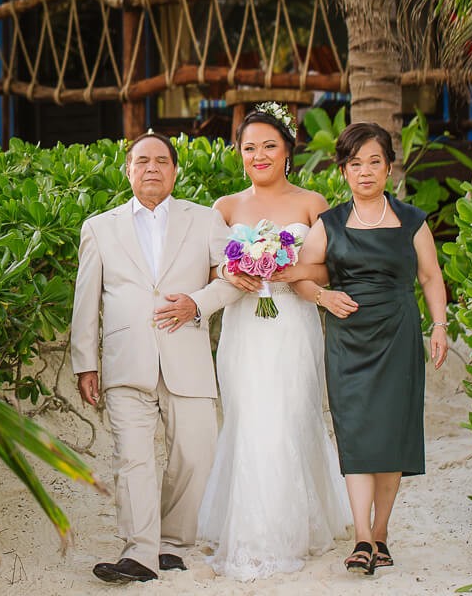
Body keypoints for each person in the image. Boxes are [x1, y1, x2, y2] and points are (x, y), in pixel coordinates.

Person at [273, 121, 449, 576]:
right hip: (348, 337)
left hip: (398, 333)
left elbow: (430, 276)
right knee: (354, 431)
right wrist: (324, 297)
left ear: (388, 168)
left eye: (374, 162)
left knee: (392, 435)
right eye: (356, 164)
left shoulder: (412, 220)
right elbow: (299, 274)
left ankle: (382, 533)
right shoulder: (330, 223)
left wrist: (440, 326)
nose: (365, 171)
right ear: (344, 171)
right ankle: (361, 538)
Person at [70, 131, 241, 584]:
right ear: (127, 170)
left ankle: (174, 544)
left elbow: (233, 278)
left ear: (175, 171)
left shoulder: (205, 220)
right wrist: (86, 362)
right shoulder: (99, 227)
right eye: (142, 161)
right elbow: (86, 299)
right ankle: (139, 552)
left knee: (195, 453)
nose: (151, 168)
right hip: (127, 361)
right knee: (134, 459)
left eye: (161, 161)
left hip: (186, 353)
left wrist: (196, 303)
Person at [196, 104, 350, 580]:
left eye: (269, 146)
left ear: (288, 151)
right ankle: (252, 531)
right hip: (243, 329)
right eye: (249, 148)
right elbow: (206, 270)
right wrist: (230, 269)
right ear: (239, 154)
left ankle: (287, 531)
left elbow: (331, 267)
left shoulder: (312, 203)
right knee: (248, 421)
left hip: (293, 322)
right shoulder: (224, 208)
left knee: (288, 417)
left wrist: (288, 268)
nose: (258, 155)